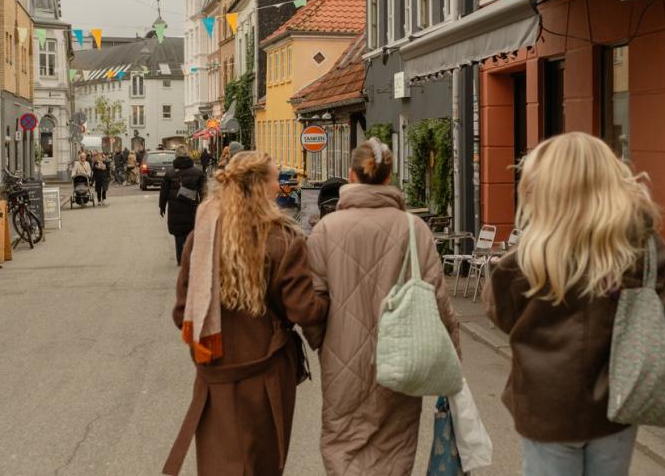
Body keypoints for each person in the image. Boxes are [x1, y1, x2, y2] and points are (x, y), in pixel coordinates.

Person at [485, 132, 665, 476]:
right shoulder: (644, 251)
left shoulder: (526, 260)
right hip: (615, 404)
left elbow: (501, 314)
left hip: (545, 407)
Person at [162, 151, 329, 476]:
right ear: (260, 188)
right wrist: (325, 298)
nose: (278, 188)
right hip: (267, 373)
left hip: (216, 373)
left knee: (220, 466)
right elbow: (303, 310)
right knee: (264, 463)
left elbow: (183, 314)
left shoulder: (201, 238)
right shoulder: (284, 239)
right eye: (273, 181)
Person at [304, 138, 461, 476]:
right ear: (389, 178)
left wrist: (322, 340)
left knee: (342, 445)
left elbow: (313, 303)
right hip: (402, 362)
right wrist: (452, 361)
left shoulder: (325, 231)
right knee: (395, 449)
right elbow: (439, 301)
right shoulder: (414, 228)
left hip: (342, 361)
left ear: (351, 175)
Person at [159, 145, 207, 266]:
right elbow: (203, 191)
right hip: (192, 209)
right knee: (191, 233)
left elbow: (163, 192)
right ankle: (191, 257)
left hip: (175, 210)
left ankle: (181, 259)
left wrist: (162, 206)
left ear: (176, 155)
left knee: (178, 235)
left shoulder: (170, 173)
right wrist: (204, 205)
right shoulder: (197, 172)